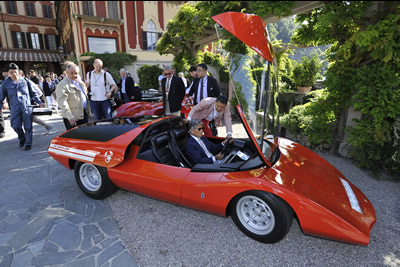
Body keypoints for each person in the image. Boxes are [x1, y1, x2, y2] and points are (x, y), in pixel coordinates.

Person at [0, 63, 45, 150]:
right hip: (14, 108)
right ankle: (22, 138)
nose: (14, 74)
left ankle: (28, 143)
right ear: (8, 73)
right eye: (11, 72)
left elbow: (33, 92)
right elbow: (1, 96)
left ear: (18, 72)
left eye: (15, 71)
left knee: (28, 126)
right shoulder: (5, 83)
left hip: (26, 107)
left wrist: (39, 102)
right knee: (15, 125)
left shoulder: (25, 80)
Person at [56, 63, 91, 130]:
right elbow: (62, 102)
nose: (74, 75)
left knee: (85, 136)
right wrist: (70, 116)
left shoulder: (80, 82)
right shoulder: (62, 85)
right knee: (74, 138)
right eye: (72, 73)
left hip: (83, 113)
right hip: (72, 117)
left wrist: (88, 112)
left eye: (76, 73)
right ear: (66, 73)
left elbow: (85, 96)